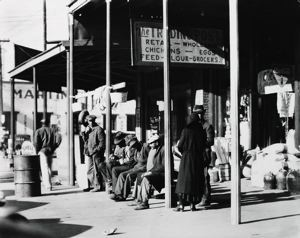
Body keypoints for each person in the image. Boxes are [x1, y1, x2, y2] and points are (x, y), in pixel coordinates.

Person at [174, 113, 207, 212]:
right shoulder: (201, 131)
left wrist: (184, 152)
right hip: (197, 158)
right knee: (195, 181)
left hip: (187, 158)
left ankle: (181, 205)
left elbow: (179, 146)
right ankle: (193, 205)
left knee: (183, 182)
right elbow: (203, 145)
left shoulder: (186, 130)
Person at [134, 134, 165, 210]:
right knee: (139, 177)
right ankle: (139, 200)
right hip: (156, 173)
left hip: (162, 174)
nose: (150, 145)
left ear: (157, 143)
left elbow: (163, 166)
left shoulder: (163, 150)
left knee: (146, 179)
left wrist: (150, 172)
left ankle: (144, 202)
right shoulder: (154, 150)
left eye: (152, 143)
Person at [193, 105, 215, 207]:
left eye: (200, 113)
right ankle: (199, 197)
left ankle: (205, 199)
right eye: (197, 113)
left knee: (204, 176)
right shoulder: (193, 125)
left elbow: (210, 141)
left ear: (203, 113)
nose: (199, 115)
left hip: (204, 155)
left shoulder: (207, 126)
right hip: (195, 154)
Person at [34, 119, 62, 191]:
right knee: (49, 168)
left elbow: (36, 143)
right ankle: (50, 184)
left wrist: (37, 152)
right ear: (48, 123)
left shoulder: (38, 131)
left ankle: (48, 185)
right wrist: (54, 147)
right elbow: (59, 138)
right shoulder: (53, 131)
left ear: (42, 123)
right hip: (50, 151)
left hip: (42, 151)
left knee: (44, 168)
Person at [80, 115, 106, 192]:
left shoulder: (99, 129)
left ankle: (98, 186)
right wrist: (84, 134)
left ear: (94, 121)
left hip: (96, 153)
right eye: (88, 121)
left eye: (91, 121)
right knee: (90, 170)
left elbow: (102, 143)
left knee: (96, 170)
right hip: (89, 152)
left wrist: (96, 150)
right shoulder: (89, 130)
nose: (90, 123)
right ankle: (92, 184)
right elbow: (86, 141)